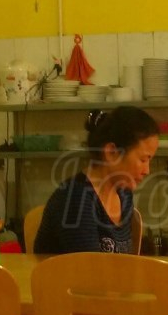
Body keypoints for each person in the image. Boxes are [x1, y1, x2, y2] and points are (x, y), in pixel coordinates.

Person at [33, 106, 158, 254]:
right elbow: (88, 267)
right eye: (143, 159)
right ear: (111, 152)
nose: (147, 170)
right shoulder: (75, 199)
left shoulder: (124, 194)